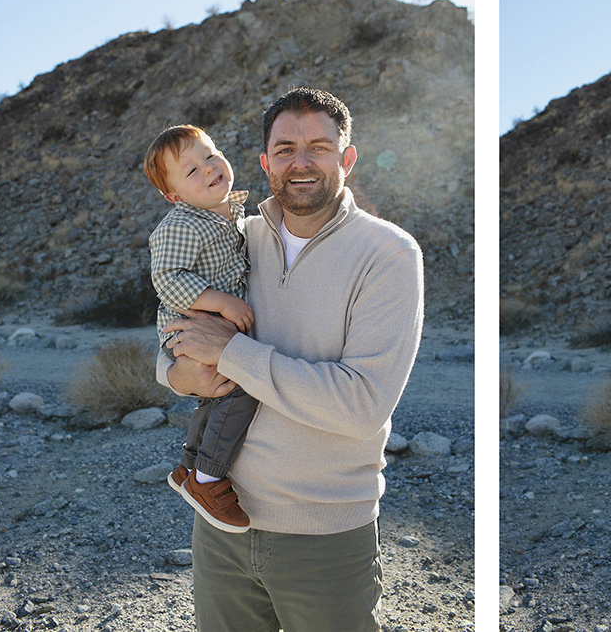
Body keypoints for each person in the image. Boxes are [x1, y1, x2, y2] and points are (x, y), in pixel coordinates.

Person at [156, 88, 424, 631]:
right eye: (285, 149)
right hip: (221, 524)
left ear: (347, 159)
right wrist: (182, 373)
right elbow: (173, 335)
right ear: (264, 162)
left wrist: (232, 353)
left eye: (319, 147)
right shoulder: (236, 237)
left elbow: (362, 405)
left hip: (324, 537)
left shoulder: (389, 255)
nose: (300, 162)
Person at [143, 124, 256, 533]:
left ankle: (189, 466)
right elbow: (168, 279)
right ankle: (208, 479)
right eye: (191, 171)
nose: (208, 168)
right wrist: (222, 302)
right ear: (174, 196)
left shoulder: (231, 215)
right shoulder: (182, 224)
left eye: (210, 155)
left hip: (206, 328)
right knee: (241, 387)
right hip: (188, 328)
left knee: (215, 396)